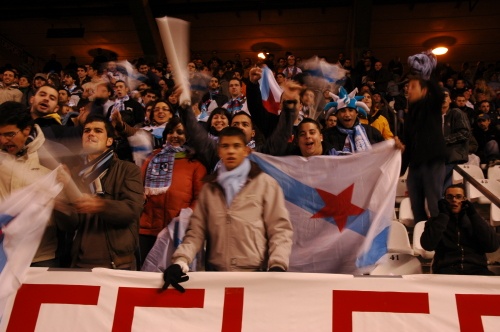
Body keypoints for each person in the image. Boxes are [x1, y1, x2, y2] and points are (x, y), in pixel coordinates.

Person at [162, 127, 293, 292]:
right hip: (216, 276)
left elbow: (280, 229)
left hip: (255, 275)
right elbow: (196, 232)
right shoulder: (209, 188)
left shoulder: (265, 183)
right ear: (219, 151)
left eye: (236, 146)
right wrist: (181, 261)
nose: (231, 151)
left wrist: (278, 265)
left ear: (246, 150)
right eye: (225, 146)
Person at [64, 115, 144, 270]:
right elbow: (71, 224)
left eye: (98, 130)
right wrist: (59, 205)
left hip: (118, 264)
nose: (90, 133)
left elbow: (132, 210)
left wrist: (99, 205)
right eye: (87, 130)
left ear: (109, 141)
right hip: (80, 262)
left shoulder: (128, 170)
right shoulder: (74, 175)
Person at [139, 117, 206, 263]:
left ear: (188, 136)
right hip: (148, 229)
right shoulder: (152, 158)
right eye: (170, 132)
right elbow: (139, 186)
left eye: (180, 132)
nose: (174, 136)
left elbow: (199, 199)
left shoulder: (196, 164)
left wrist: (183, 218)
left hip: (176, 231)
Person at [420, 184, 499, 275]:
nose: (454, 200)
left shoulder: (476, 221)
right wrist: (443, 216)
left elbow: (492, 246)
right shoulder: (435, 222)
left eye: (458, 197)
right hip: (446, 269)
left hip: (476, 269)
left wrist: (473, 215)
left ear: (464, 200)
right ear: (444, 200)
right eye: (449, 197)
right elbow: (428, 245)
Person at [401, 76, 446, 222]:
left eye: (413, 86)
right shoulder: (409, 115)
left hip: (432, 163)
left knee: (434, 204)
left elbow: (439, 94)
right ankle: (422, 239)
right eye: (408, 87)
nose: (409, 90)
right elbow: (407, 143)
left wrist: (428, 77)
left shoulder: (431, 106)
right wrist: (400, 169)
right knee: (416, 206)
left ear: (424, 90)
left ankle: (441, 240)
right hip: (415, 166)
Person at [441, 89, 471, 192]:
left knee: (442, 187)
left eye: (445, 96)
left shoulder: (456, 113)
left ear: (450, 100)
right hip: (436, 157)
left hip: (452, 156)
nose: (443, 99)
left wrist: (444, 140)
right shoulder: (431, 117)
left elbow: (465, 133)